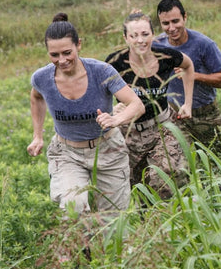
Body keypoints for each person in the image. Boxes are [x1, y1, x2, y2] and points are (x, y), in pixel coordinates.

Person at [27, 14, 145, 214]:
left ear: (78, 45)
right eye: (54, 55)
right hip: (67, 153)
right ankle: (83, 245)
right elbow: (37, 97)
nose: (62, 60)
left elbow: (136, 104)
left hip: (108, 150)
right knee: (74, 207)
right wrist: (37, 135)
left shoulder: (102, 72)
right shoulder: (42, 78)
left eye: (67, 52)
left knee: (114, 219)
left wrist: (115, 119)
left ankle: (108, 242)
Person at [106, 10, 196, 199]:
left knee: (164, 182)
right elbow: (99, 90)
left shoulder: (166, 56)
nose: (140, 40)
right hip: (129, 132)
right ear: (126, 38)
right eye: (134, 35)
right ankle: (149, 224)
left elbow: (188, 66)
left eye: (145, 34)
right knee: (138, 189)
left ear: (153, 35)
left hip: (162, 127)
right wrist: (111, 110)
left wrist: (187, 103)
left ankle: (176, 220)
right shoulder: (115, 63)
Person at [155, 0, 221, 155]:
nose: (171, 28)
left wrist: (193, 75)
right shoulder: (157, 45)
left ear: (185, 17)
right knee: (178, 164)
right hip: (173, 114)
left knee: (214, 164)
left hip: (204, 114)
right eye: (165, 24)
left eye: (175, 21)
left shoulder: (204, 44)